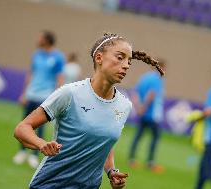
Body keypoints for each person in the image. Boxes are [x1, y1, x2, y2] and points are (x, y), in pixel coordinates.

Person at [14, 33, 164, 189]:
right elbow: (22, 128)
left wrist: (111, 171)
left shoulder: (124, 106)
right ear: (99, 58)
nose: (126, 65)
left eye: (129, 61)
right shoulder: (70, 94)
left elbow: (104, 143)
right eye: (120, 58)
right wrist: (42, 144)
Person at [13, 30, 66, 169]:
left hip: (45, 97)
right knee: (25, 123)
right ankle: (22, 152)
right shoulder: (37, 55)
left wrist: (56, 97)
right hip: (31, 94)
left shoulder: (58, 57)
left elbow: (60, 78)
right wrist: (24, 94)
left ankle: (34, 155)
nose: (38, 39)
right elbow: (31, 73)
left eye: (41, 37)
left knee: (40, 127)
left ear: (47, 40)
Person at [128, 60, 165, 173]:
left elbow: (135, 93)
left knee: (138, 136)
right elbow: (152, 94)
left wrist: (138, 107)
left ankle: (132, 159)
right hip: (152, 114)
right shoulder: (157, 78)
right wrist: (144, 107)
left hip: (143, 112)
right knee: (155, 137)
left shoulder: (144, 77)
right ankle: (150, 162)